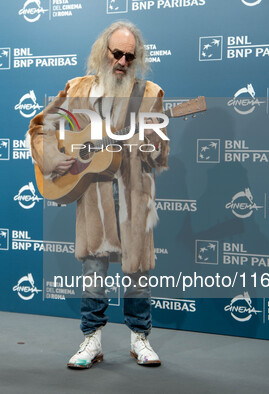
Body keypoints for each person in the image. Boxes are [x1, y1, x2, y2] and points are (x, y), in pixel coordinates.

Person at [27, 20, 169, 369]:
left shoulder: (150, 94)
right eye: (116, 53)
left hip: (134, 197)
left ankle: (140, 338)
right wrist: (55, 158)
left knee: (137, 272)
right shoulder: (77, 89)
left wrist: (154, 143)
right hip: (94, 200)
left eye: (129, 57)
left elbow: (161, 153)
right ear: (102, 52)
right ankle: (91, 339)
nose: (122, 62)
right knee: (94, 267)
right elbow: (41, 127)